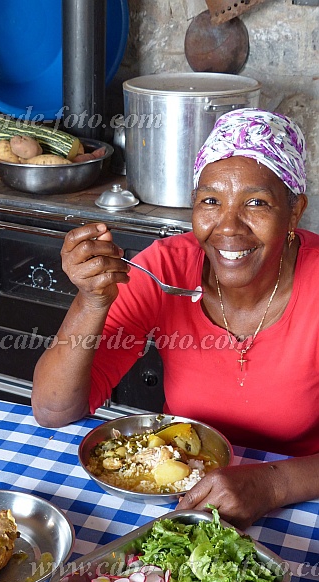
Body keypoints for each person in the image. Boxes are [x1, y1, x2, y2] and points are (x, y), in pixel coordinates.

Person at [31, 108, 319, 528]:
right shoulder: (166, 269)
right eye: (209, 201)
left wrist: (271, 486)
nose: (227, 227)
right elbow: (54, 411)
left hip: (301, 500)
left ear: (294, 213)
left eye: (256, 203)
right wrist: (91, 302)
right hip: (184, 499)